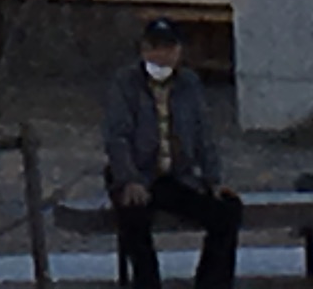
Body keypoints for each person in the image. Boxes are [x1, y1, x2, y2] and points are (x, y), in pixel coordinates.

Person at [100, 15, 240, 289]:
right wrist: (129, 179)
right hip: (136, 174)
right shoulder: (126, 83)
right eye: (154, 47)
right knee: (135, 222)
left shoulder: (189, 84)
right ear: (143, 50)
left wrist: (213, 179)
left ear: (178, 51)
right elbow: (117, 136)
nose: (161, 56)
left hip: (176, 176)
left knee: (227, 213)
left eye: (168, 48)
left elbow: (203, 134)